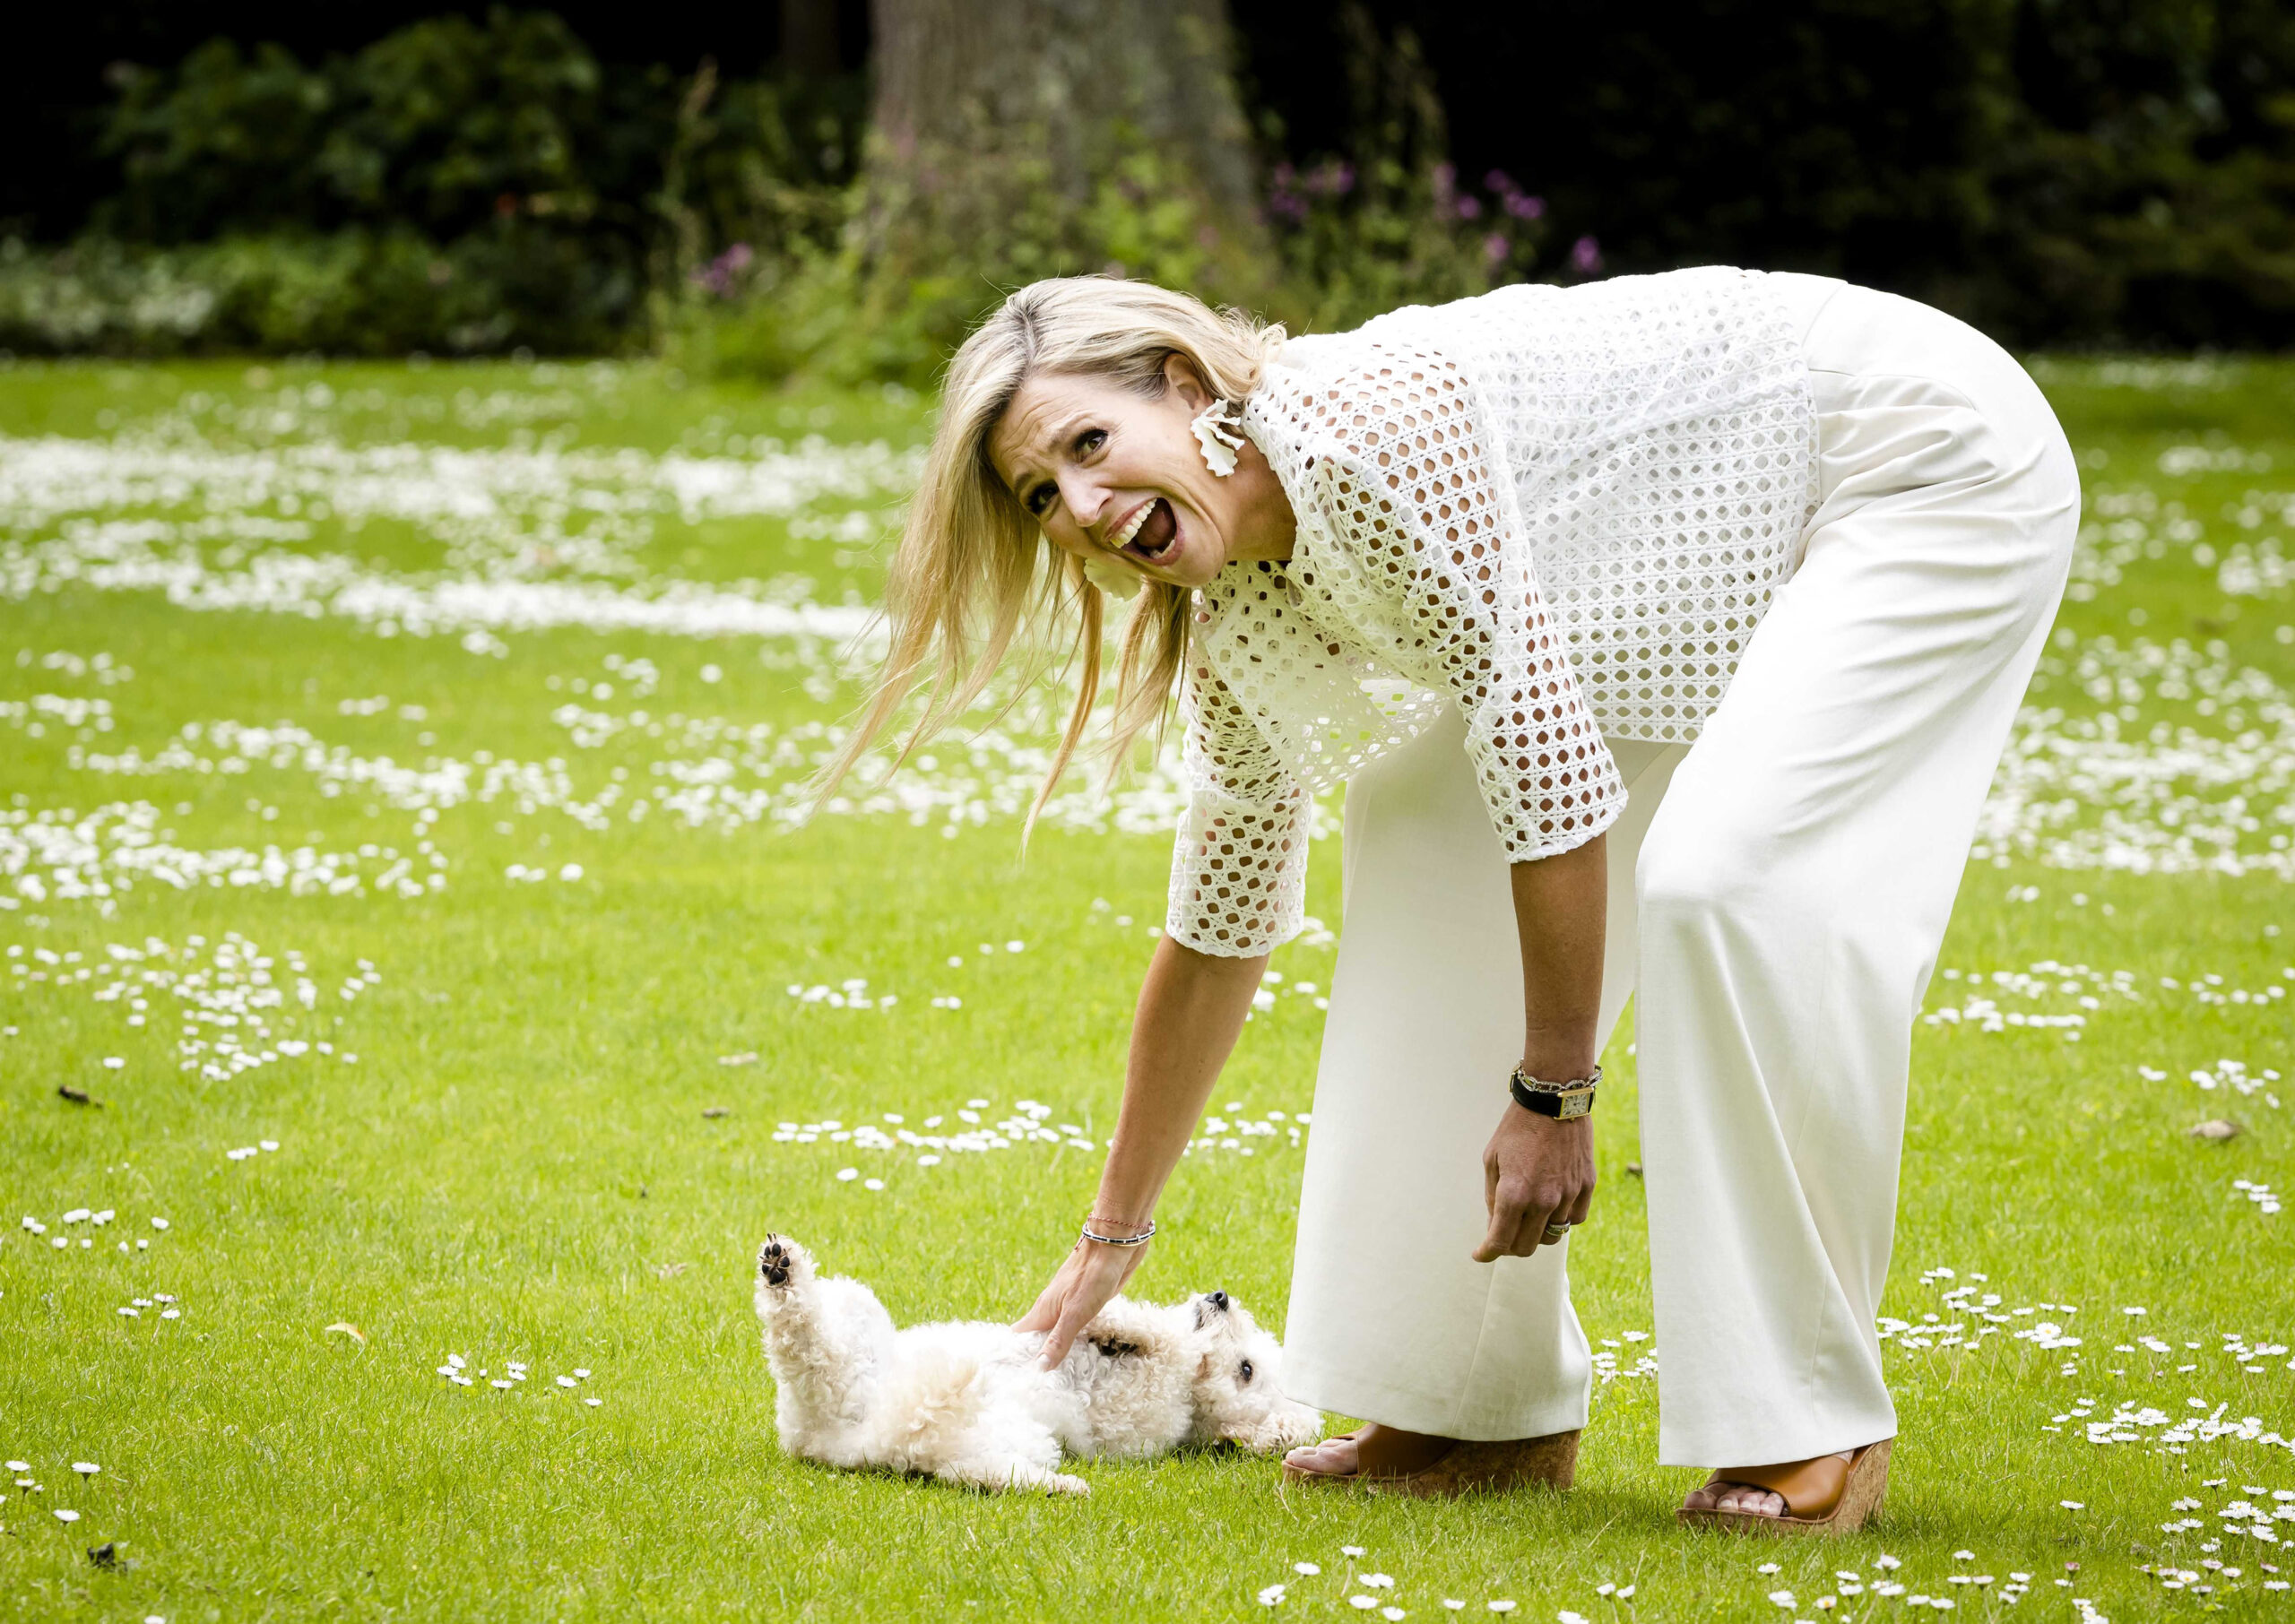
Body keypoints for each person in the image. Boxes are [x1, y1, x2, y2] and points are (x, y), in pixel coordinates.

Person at [822, 266, 2076, 1528]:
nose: (1086, 506)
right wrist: (1110, 1240)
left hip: (1911, 454)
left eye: (1093, 444)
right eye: (1046, 494)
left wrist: (1554, 1092)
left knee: (1724, 881)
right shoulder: (1237, 608)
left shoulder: (1366, 435)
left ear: (1191, 393)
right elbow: (1217, 930)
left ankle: (1808, 1419)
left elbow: (1544, 775)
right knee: (1421, 822)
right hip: (1692, 540)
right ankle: (1469, 1396)